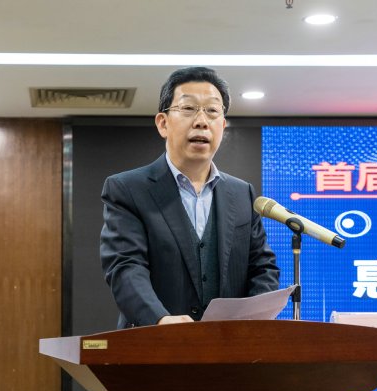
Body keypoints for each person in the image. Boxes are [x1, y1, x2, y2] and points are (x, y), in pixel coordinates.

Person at [100, 66, 279, 328]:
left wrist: (251, 321)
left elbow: (262, 267)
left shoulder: (242, 193)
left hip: (229, 346)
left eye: (212, 111)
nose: (201, 121)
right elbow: (125, 266)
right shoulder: (127, 189)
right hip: (153, 342)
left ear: (223, 125)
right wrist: (160, 318)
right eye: (188, 108)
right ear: (163, 123)